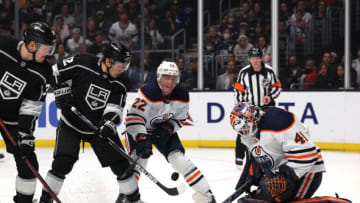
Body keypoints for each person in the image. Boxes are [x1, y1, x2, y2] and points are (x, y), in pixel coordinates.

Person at [39, 42, 144, 203]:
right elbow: (54, 71)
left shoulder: (122, 82)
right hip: (71, 123)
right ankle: (45, 200)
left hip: (98, 129)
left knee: (122, 167)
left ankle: (134, 200)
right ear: (108, 61)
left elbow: (115, 108)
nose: (124, 69)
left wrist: (108, 125)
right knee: (62, 163)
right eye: (121, 65)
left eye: (126, 65)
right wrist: (60, 90)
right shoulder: (83, 62)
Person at [123, 61, 216, 203]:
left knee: (180, 160)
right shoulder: (149, 91)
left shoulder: (182, 94)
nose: (170, 82)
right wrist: (141, 136)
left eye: (173, 79)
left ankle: (206, 195)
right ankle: (127, 197)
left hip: (162, 128)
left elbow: (181, 118)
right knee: (137, 161)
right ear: (159, 78)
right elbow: (133, 117)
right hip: (139, 128)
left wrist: (169, 128)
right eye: (167, 78)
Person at [0, 22, 56, 203]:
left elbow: (31, 107)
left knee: (29, 164)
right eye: (46, 48)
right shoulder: (3, 45)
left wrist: (25, 137)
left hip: (12, 120)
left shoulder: (43, 72)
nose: (49, 53)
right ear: (32, 45)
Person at [229, 102, 325, 202]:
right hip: (281, 174)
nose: (245, 132)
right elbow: (257, 153)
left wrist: (288, 177)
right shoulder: (246, 134)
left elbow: (308, 154)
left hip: (308, 171)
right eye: (242, 130)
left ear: (254, 118)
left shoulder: (279, 121)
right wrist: (251, 173)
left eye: (246, 127)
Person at [233, 47, 281, 167]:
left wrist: (270, 96)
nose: (255, 61)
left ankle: (271, 155)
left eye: (257, 58)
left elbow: (277, 87)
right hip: (250, 108)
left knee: (269, 133)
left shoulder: (269, 71)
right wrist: (241, 106)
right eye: (253, 58)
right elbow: (238, 91)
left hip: (266, 108)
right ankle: (239, 156)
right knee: (243, 131)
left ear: (261, 58)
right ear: (249, 59)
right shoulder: (244, 73)